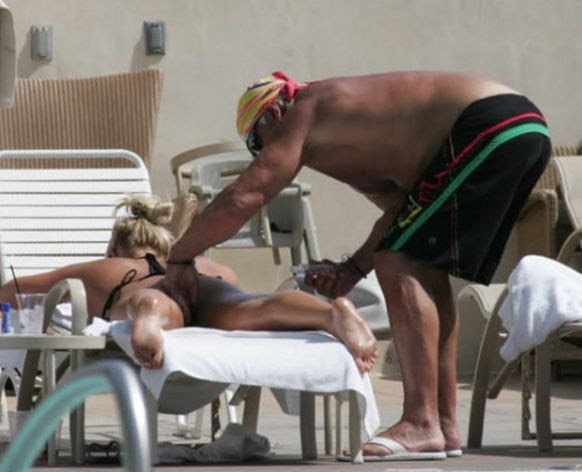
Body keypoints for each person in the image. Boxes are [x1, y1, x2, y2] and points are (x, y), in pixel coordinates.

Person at [162, 71, 551, 459]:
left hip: (489, 124)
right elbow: (400, 212)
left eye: (256, 142)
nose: (262, 153)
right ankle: (443, 425)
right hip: (523, 127)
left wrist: (179, 257)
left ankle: (421, 422)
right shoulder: (349, 135)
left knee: (399, 260)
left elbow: (244, 197)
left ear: (273, 114)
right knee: (421, 264)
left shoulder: (306, 108)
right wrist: (350, 271)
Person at [0, 195, 377, 373]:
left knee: (150, 298)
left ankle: (148, 311)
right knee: (256, 305)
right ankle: (331, 313)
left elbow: (19, 289)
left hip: (143, 288)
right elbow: (230, 278)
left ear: (116, 247)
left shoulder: (108, 268)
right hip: (204, 281)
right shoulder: (193, 263)